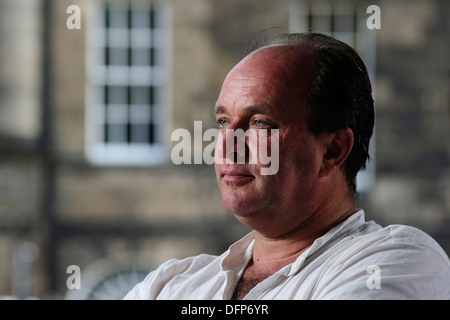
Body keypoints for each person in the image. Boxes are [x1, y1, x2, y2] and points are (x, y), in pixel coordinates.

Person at [123, 32, 450, 300]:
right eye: (223, 121)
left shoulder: (396, 261)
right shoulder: (171, 284)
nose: (226, 144)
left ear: (332, 151)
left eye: (260, 123)